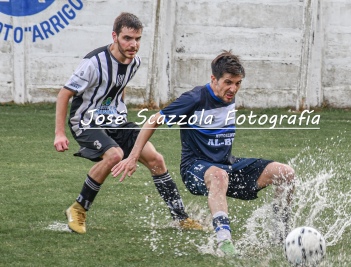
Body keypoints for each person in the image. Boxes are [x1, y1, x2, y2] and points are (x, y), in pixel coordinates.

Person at [111, 50, 295, 256]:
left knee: (286, 173)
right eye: (228, 82)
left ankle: (281, 235)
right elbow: (153, 120)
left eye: (238, 83)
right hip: (195, 169)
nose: (233, 89)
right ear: (213, 79)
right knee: (218, 175)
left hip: (226, 165)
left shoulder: (227, 96)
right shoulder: (194, 98)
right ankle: (225, 242)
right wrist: (134, 156)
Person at [53, 12, 202, 234]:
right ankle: (78, 208)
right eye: (127, 38)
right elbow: (64, 94)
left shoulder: (135, 62)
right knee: (114, 155)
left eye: (138, 39)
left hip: (116, 121)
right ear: (115, 36)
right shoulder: (94, 63)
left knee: (156, 160)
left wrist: (118, 110)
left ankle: (180, 218)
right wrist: (59, 133)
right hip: (86, 122)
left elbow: (118, 87)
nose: (133, 45)